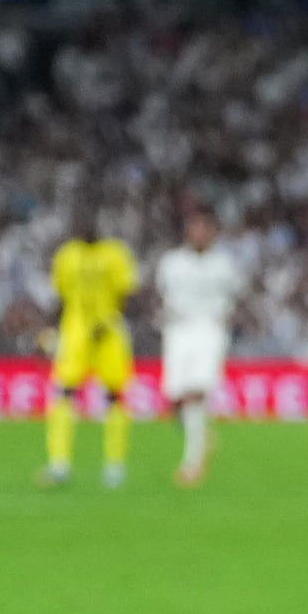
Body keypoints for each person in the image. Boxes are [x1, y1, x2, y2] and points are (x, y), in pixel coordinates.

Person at [151, 210, 248, 488]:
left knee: (195, 392)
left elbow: (237, 296)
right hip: (178, 331)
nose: (200, 234)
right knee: (175, 396)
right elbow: (161, 293)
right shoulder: (171, 262)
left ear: (214, 232)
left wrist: (227, 322)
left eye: (205, 229)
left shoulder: (225, 264)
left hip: (209, 330)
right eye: (195, 228)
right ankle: (202, 436)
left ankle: (192, 463)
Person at [41, 220, 136, 490]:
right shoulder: (67, 254)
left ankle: (114, 466)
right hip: (75, 332)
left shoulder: (115, 253)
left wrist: (106, 321)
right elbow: (60, 296)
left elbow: (125, 294)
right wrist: (50, 330)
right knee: (63, 393)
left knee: (114, 396)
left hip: (109, 333)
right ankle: (59, 464)